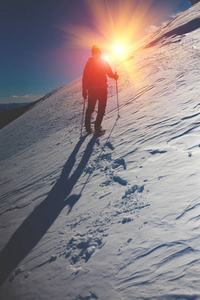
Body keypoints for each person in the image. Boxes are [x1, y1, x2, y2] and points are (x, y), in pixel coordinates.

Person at [82, 45, 119, 135]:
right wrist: (114, 76)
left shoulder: (93, 63)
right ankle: (95, 127)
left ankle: (90, 127)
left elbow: (85, 78)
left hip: (95, 90)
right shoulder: (100, 63)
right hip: (99, 90)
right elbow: (85, 78)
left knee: (94, 109)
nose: (96, 54)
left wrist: (84, 90)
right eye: (95, 53)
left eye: (97, 53)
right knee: (99, 109)